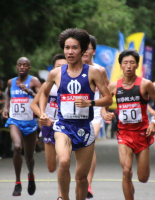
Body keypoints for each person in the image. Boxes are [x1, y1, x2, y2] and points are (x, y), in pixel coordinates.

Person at [39, 28, 112, 200]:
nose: (70, 52)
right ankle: (63, 198)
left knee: (81, 178)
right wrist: (42, 113)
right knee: (63, 162)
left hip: (84, 128)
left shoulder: (93, 72)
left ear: (83, 50)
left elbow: (108, 98)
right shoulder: (56, 73)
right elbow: (43, 93)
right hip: (63, 126)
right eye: (66, 48)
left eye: (74, 48)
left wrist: (91, 102)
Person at [101, 50, 155, 200]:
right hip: (124, 134)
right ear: (120, 66)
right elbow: (104, 106)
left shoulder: (145, 84)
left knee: (143, 178)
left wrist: (153, 122)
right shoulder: (114, 86)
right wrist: (104, 114)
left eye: (132, 63)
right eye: (125, 63)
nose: (128, 66)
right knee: (126, 171)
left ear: (137, 65)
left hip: (142, 134)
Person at [2, 57, 41, 196]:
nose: (22, 67)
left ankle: (31, 175)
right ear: (16, 67)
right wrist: (6, 107)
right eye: (19, 65)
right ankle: (17, 182)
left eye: (25, 65)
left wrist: (28, 91)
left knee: (29, 156)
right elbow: (8, 94)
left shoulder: (34, 81)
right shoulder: (11, 82)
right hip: (15, 120)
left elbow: (42, 98)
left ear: (29, 67)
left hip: (30, 122)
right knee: (17, 147)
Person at [30, 54, 67, 200]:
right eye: (58, 66)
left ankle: (60, 195)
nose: (61, 69)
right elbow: (33, 105)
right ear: (53, 69)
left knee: (63, 161)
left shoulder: (72, 86)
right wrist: (43, 115)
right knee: (52, 167)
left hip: (64, 126)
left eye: (65, 67)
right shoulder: (47, 85)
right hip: (48, 126)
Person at [81, 35, 109, 199]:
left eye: (88, 47)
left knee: (89, 143)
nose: (85, 50)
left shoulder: (100, 70)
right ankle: (80, 179)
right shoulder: (70, 69)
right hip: (75, 114)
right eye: (82, 47)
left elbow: (107, 93)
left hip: (95, 114)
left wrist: (104, 110)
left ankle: (87, 184)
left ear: (94, 51)